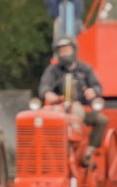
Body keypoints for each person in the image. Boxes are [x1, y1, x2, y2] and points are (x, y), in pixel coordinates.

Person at [38, 36, 109, 166]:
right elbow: (44, 87)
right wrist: (49, 94)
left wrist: (93, 91)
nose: (65, 54)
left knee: (102, 120)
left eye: (67, 50)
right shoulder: (52, 70)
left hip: (81, 109)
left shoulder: (85, 69)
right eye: (62, 51)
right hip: (58, 111)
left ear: (74, 51)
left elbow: (98, 86)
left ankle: (89, 150)